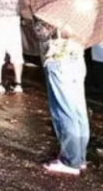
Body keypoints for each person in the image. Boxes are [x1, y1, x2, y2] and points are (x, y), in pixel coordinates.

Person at [33, 19, 89, 176]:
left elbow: (41, 33)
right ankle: (79, 157)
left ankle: (70, 161)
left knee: (64, 110)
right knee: (78, 110)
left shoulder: (54, 10)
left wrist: (35, 20)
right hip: (77, 56)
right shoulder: (84, 3)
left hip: (59, 57)